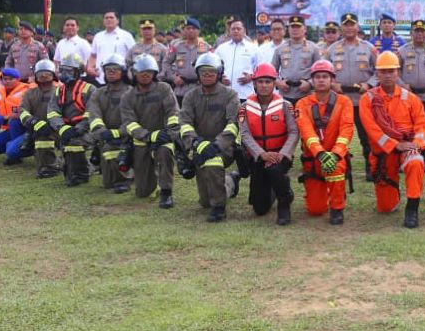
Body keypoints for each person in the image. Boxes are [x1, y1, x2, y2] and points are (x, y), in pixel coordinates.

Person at [359, 51, 425, 227]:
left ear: (398, 72)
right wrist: (395, 145)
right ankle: (393, 193)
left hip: (408, 147)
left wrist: (416, 145)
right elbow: (372, 130)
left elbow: (422, 125)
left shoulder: (411, 99)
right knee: (386, 207)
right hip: (384, 154)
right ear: (377, 74)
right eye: (384, 71)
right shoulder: (368, 99)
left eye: (391, 71)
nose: (388, 75)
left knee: (416, 161)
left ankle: (412, 208)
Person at [178, 52, 241, 222]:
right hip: (198, 147)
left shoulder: (230, 95)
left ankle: (219, 208)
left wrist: (217, 145)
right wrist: (196, 142)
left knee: (213, 161)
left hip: (223, 148)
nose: (207, 75)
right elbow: (184, 123)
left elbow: (233, 124)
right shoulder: (191, 96)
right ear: (197, 74)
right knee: (205, 201)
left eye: (211, 72)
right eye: (203, 72)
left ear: (219, 73)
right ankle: (230, 182)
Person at [238, 63, 299, 225]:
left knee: (275, 169)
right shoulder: (244, 107)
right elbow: (244, 134)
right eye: (260, 82)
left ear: (274, 83)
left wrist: (283, 154)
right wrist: (261, 154)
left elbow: (294, 132)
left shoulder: (286, 106)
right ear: (254, 83)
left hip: (280, 155)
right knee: (260, 208)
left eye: (268, 82)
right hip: (257, 157)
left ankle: (284, 202)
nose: (264, 85)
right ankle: (275, 188)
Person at [295, 59, 354, 224]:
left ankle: (337, 207)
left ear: (332, 80)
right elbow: (307, 132)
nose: (321, 80)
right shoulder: (302, 104)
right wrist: (320, 154)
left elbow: (346, 130)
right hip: (313, 159)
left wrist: (335, 154)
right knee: (315, 210)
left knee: (335, 168)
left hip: (336, 156)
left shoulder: (344, 102)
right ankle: (324, 194)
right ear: (312, 81)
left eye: (325, 76)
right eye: (317, 77)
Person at [121, 55, 182, 208]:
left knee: (165, 153)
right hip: (140, 141)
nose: (145, 74)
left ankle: (166, 192)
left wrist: (170, 133)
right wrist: (146, 135)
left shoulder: (164, 89)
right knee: (143, 192)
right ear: (134, 74)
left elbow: (173, 112)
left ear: (154, 73)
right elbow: (129, 123)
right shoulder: (128, 96)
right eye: (141, 72)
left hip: (163, 137)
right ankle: (150, 180)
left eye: (149, 71)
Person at [325, 13, 378, 180]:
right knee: (336, 135)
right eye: (346, 25)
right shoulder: (332, 49)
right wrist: (332, 84)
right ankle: (339, 166)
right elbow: (324, 71)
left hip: (362, 99)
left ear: (357, 27)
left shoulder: (369, 48)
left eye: (352, 24)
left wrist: (369, 84)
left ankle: (371, 168)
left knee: (367, 136)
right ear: (341, 27)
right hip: (339, 100)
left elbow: (379, 71)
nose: (349, 28)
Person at [47, 53, 96, 186]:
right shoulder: (58, 91)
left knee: (74, 144)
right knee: (45, 139)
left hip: (87, 130)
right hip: (65, 130)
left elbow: (92, 113)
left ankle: (82, 174)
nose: (64, 74)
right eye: (62, 70)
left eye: (68, 71)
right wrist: (62, 128)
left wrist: (78, 129)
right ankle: (49, 168)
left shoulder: (89, 89)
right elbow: (52, 112)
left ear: (78, 73)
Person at [87, 54, 134, 192]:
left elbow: (133, 119)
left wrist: (119, 132)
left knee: (112, 149)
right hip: (105, 136)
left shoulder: (132, 93)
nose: (111, 72)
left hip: (129, 137)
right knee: (107, 183)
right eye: (108, 69)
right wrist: (102, 132)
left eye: (115, 69)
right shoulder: (98, 93)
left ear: (123, 71)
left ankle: (125, 178)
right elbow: (94, 115)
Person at [18, 59, 62, 177]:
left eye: (47, 73)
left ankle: (54, 165)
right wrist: (33, 121)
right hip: (36, 129)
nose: (43, 75)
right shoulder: (29, 93)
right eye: (40, 73)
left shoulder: (61, 91)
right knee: (13, 152)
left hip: (59, 129)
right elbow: (22, 111)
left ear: (53, 74)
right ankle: (46, 164)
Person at [272, 15, 320, 107]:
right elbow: (272, 72)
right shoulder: (280, 49)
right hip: (285, 94)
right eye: (292, 27)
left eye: (298, 27)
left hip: (306, 94)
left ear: (304, 29)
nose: (295, 29)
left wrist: (310, 83)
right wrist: (278, 82)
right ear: (288, 29)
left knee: (304, 121)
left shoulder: (314, 48)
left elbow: (319, 72)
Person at [164, 17, 210, 101]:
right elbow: (166, 63)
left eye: (193, 28)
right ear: (183, 31)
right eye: (188, 28)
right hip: (181, 90)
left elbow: (214, 65)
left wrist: (207, 78)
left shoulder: (206, 47)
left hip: (200, 89)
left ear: (199, 31)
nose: (191, 30)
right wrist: (173, 77)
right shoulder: (176, 46)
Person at [214, 19, 257, 101]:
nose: (236, 31)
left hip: (245, 94)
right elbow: (214, 67)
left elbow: (260, 68)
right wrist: (219, 78)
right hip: (225, 94)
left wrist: (252, 77)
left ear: (244, 31)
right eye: (233, 29)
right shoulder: (221, 48)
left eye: (238, 29)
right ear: (229, 31)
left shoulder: (253, 48)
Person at [87, 11, 136, 83]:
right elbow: (93, 55)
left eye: (111, 17)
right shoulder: (98, 36)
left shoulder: (126, 36)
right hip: (100, 78)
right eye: (106, 18)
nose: (109, 20)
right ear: (103, 21)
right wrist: (90, 67)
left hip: (121, 78)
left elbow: (134, 55)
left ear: (117, 21)